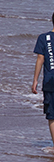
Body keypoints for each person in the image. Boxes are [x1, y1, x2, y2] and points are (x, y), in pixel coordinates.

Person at [32, 10, 54, 147]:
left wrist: (35, 80)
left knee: (52, 115)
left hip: (50, 82)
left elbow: (41, 58)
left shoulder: (44, 38)